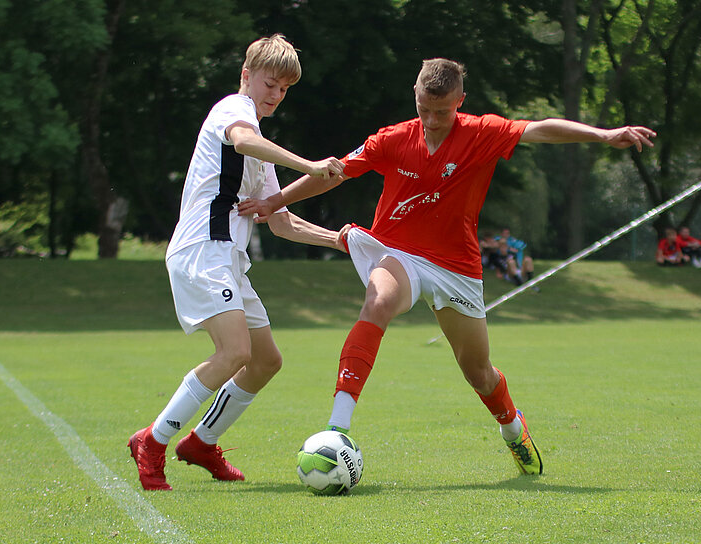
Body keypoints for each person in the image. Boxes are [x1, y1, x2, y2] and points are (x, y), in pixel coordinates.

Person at [240, 58, 656, 476]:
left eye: (442, 111)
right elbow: (335, 174)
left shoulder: (482, 132)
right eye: (424, 109)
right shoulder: (392, 138)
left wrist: (604, 134)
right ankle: (337, 429)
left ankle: (513, 428)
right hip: (398, 252)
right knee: (378, 301)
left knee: (478, 372)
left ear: (460, 101)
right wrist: (274, 202)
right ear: (416, 97)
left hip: (456, 267)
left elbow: (540, 129)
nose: (432, 120)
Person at [127, 34, 348, 491]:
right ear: (247, 76)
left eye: (284, 89)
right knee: (235, 353)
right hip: (202, 251)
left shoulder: (259, 141)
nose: (275, 95)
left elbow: (280, 220)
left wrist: (340, 240)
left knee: (266, 360)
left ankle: (201, 443)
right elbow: (243, 141)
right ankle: (153, 440)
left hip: (228, 260)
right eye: (270, 83)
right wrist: (308, 165)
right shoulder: (233, 110)